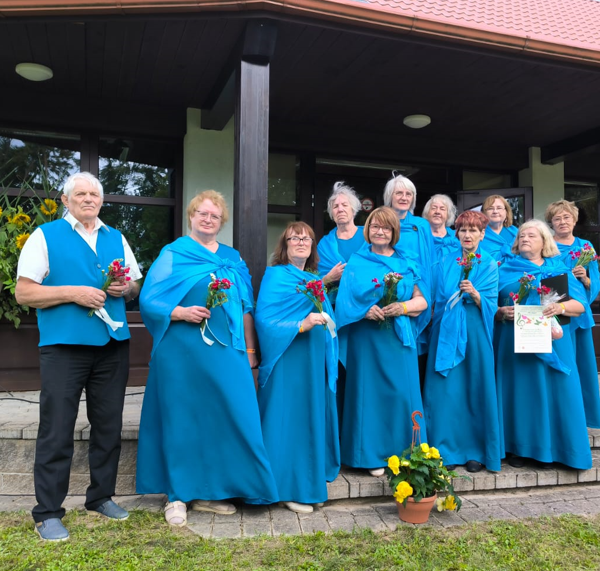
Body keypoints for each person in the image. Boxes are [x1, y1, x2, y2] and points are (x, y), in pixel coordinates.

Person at [136, 190, 278, 527]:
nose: (208, 219)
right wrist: (180, 312)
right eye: (202, 213)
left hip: (228, 350)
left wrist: (251, 351)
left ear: (221, 221)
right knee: (182, 418)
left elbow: (245, 307)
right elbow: (149, 299)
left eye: (215, 215)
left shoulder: (232, 257)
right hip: (181, 352)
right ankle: (177, 496)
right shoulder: (174, 253)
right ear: (191, 216)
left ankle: (215, 490)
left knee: (232, 415)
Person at [15, 172, 142, 542]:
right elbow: (24, 293)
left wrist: (125, 287)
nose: (88, 199)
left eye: (94, 194)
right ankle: (48, 512)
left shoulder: (116, 237)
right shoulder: (45, 236)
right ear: (66, 199)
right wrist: (73, 292)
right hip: (64, 347)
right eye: (81, 193)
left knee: (108, 427)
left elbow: (134, 285)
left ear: (101, 200)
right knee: (56, 429)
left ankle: (100, 497)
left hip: (112, 345)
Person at [335, 206, 430, 476]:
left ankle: (407, 453)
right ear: (368, 230)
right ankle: (370, 456)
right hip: (367, 339)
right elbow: (343, 302)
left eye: (386, 227)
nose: (380, 231)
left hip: (398, 338)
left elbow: (422, 301)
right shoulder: (356, 262)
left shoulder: (407, 261)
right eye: (375, 226)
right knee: (369, 395)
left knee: (402, 393)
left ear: (394, 232)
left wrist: (402, 307)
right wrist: (364, 311)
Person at [256, 221, 340, 514]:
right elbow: (265, 319)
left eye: (306, 239)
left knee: (307, 416)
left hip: (312, 357)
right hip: (287, 355)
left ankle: (307, 483)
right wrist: (301, 324)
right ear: (285, 245)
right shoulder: (275, 276)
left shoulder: (313, 278)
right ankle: (284, 488)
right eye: (295, 238)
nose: (301, 242)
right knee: (287, 417)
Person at [495, 220, 592, 470]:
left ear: (544, 242)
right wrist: (499, 312)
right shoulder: (504, 270)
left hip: (553, 343)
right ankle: (519, 447)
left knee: (557, 393)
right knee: (521, 393)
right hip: (515, 344)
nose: (525, 239)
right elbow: (489, 304)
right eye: (522, 236)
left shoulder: (559, 270)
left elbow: (581, 306)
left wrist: (559, 306)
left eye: (531, 235)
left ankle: (557, 450)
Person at [423, 210, 501, 473]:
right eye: (463, 230)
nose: (467, 235)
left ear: (482, 234)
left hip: (475, 330)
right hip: (445, 331)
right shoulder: (445, 260)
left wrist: (476, 295)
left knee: (474, 387)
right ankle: (444, 449)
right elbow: (436, 298)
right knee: (446, 390)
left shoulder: (489, 263)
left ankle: (475, 451)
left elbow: (492, 305)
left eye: (473, 230)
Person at [545, 200, 600, 428]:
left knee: (583, 365)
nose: (562, 222)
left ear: (575, 220)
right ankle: (562, 415)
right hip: (555, 313)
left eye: (566, 217)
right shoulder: (547, 246)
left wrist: (584, 278)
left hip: (578, 313)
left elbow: (594, 283)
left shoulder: (586, 247)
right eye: (557, 218)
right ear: (551, 223)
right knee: (562, 362)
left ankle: (586, 416)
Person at [383, 174, 433, 356]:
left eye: (408, 194)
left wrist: (430, 296)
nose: (404, 198)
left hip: (417, 290)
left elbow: (430, 262)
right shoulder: (381, 222)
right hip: (388, 289)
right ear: (390, 196)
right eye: (399, 193)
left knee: (411, 347)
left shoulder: (422, 225)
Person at [317, 181, 366, 303]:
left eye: (345, 205)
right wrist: (329, 278)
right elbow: (317, 281)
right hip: (337, 306)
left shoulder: (369, 236)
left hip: (369, 303)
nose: (340, 209)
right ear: (332, 214)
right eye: (335, 207)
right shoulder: (324, 245)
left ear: (353, 210)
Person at [422, 193, 460, 297]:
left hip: (453, 293)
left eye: (442, 209)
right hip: (425, 291)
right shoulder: (420, 237)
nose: (437, 212)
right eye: (434, 208)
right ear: (427, 213)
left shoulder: (457, 237)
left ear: (448, 214)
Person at [479, 195, 518, 263]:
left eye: (499, 208)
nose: (495, 211)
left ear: (506, 212)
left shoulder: (516, 233)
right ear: (483, 213)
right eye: (490, 208)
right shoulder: (477, 234)